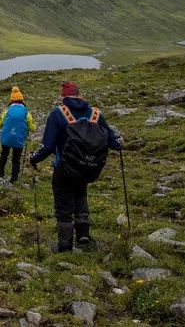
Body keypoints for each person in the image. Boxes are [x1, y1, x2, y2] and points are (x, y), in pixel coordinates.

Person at [29, 81, 123, 252]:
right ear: (80, 95)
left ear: (63, 97)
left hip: (64, 169)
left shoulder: (58, 114)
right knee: (80, 194)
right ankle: (83, 234)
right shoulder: (95, 113)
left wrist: (33, 159)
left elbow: (47, 147)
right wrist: (119, 142)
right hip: (87, 168)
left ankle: (65, 246)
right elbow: (113, 142)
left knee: (63, 205)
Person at [0, 86, 35, 183]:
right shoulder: (26, 112)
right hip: (19, 139)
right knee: (16, 159)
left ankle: (0, 173)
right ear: (21, 100)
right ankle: (14, 178)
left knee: (4, 154)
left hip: (6, 138)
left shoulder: (6, 110)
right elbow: (33, 128)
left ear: (11, 100)